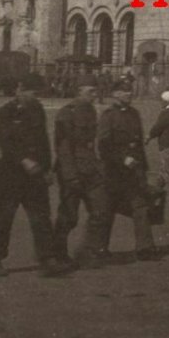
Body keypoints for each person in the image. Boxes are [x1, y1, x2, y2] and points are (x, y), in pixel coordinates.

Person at [0, 73, 73, 278]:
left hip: (35, 175)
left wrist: (48, 168)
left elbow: (43, 141)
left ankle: (47, 259)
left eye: (36, 93)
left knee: (41, 217)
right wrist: (24, 160)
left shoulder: (37, 109)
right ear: (19, 90)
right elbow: (5, 142)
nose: (33, 97)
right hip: (11, 174)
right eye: (30, 92)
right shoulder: (6, 112)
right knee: (4, 217)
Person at [98, 81, 161, 262]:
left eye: (130, 91)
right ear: (115, 94)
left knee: (140, 207)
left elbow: (139, 145)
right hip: (114, 171)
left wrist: (143, 169)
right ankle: (100, 248)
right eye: (124, 92)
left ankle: (145, 247)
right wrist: (122, 159)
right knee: (107, 209)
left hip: (134, 172)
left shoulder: (134, 114)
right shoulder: (108, 116)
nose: (129, 94)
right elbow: (103, 146)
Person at [53, 75, 111, 268]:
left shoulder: (91, 111)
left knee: (101, 211)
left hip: (91, 171)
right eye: (90, 92)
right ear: (78, 92)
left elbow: (92, 144)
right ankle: (58, 253)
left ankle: (89, 251)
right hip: (73, 171)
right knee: (69, 216)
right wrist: (70, 176)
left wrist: (99, 166)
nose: (95, 96)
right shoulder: (66, 113)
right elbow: (63, 148)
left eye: (95, 92)